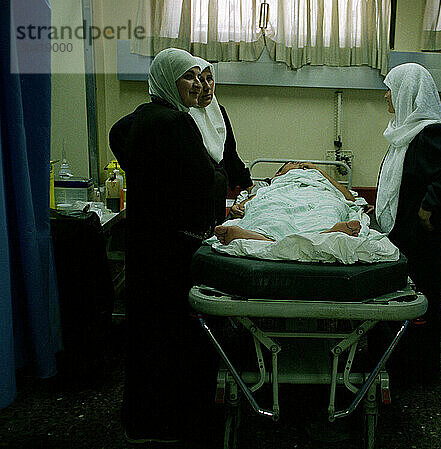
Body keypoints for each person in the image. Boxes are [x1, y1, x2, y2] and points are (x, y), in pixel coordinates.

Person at [109, 48, 224, 444]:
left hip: (144, 241)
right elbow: (203, 182)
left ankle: (139, 421)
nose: (197, 84)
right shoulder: (177, 123)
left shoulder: (142, 116)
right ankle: (166, 424)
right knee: (168, 336)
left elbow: (115, 135)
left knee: (145, 334)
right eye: (188, 76)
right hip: (170, 249)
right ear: (168, 80)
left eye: (201, 76)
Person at [371, 63, 441, 384]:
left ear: (407, 93)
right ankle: (396, 362)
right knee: (401, 303)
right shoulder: (403, 133)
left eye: (391, 89)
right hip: (402, 235)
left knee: (418, 306)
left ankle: (417, 371)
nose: (387, 95)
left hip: (420, 240)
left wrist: (430, 208)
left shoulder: (431, 132)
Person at [214, 162, 362, 244]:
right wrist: (239, 207)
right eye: (292, 164)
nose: (299, 165)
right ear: (278, 173)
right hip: (280, 196)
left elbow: (349, 198)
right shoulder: (273, 184)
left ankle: (263, 239)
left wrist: (318, 171)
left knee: (327, 210)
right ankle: (323, 237)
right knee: (270, 212)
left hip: (318, 195)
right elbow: (256, 199)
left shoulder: (318, 178)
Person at [188, 57, 253, 222]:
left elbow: (229, 152)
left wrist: (249, 185)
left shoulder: (218, 111)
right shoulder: (184, 115)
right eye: (200, 80)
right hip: (193, 194)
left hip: (217, 190)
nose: (206, 86)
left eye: (209, 79)